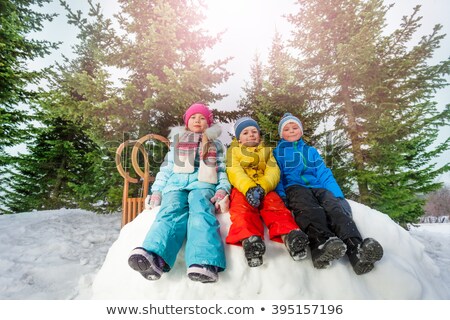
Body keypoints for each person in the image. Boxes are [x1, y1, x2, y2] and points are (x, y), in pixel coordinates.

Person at [128, 103, 231, 283]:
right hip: (175, 185)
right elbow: (167, 169)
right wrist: (157, 191)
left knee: (200, 213)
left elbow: (222, 169)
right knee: (170, 211)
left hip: (203, 185)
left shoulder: (215, 145)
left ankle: (205, 262)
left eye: (202, 118)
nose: (197, 121)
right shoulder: (178, 142)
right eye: (193, 117)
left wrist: (222, 189)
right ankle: (155, 256)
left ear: (208, 123)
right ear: (186, 123)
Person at [273, 113, 383, 275]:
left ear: (301, 131)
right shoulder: (278, 152)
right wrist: (281, 196)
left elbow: (324, 173)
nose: (291, 131)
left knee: (335, 209)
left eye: (295, 127)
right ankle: (321, 244)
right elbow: (277, 175)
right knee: (309, 209)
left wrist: (337, 195)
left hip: (318, 187)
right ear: (281, 134)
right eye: (287, 129)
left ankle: (356, 249)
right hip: (295, 187)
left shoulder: (311, 151)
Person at [225, 117, 309, 267]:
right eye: (245, 132)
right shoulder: (233, 152)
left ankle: (290, 236)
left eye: (254, 131)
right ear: (239, 139)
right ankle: (250, 241)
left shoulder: (267, 151)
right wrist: (249, 188)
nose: (251, 134)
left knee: (275, 206)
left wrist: (262, 188)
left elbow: (273, 171)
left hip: (264, 188)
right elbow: (234, 171)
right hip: (242, 189)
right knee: (241, 210)